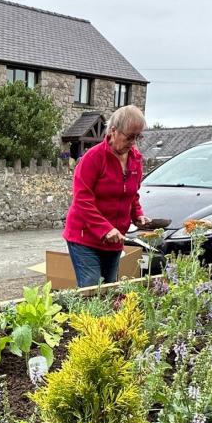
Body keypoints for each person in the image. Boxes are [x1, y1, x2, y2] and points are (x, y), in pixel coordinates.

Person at [62, 105, 148, 287]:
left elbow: (131, 193)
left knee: (110, 289)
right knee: (92, 288)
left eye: (137, 137)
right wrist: (105, 229)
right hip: (84, 237)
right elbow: (82, 200)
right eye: (129, 136)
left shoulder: (135, 159)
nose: (133, 142)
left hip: (115, 239)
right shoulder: (93, 158)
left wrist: (137, 214)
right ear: (113, 131)